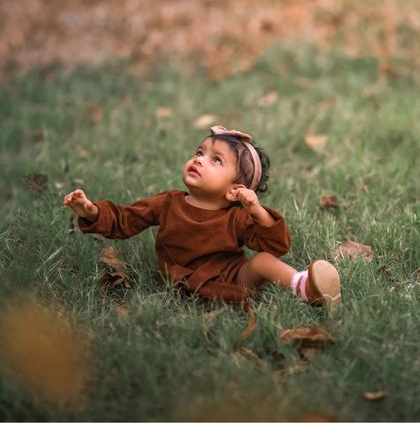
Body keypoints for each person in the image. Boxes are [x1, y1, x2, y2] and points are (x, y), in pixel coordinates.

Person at [63, 126, 341, 309]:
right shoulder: (168, 203)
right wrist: (93, 212)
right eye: (199, 153)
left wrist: (256, 210)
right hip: (182, 282)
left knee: (264, 262)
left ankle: (304, 287)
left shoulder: (236, 217)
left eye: (215, 160)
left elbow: (275, 246)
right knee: (197, 295)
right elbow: (126, 219)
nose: (199, 160)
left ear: (236, 190)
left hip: (233, 278)